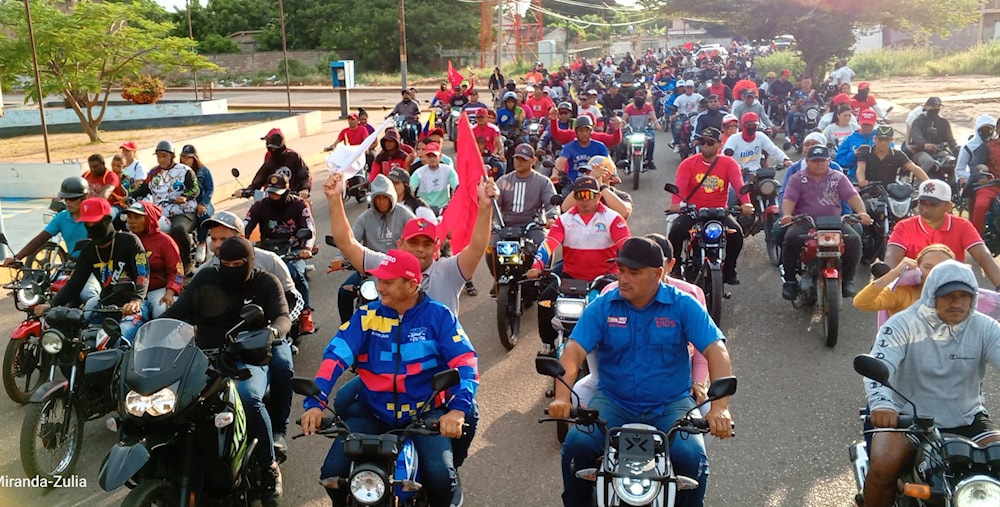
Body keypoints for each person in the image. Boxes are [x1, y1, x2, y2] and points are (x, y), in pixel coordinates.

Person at [551, 236, 735, 507]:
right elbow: (573, 351)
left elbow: (716, 351)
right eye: (621, 270)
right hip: (613, 402)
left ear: (658, 274)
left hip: (672, 406)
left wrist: (720, 408)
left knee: (692, 457)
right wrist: (562, 398)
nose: (623, 279)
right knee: (576, 445)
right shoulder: (603, 306)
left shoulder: (683, 305)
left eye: (633, 273)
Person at [301, 249, 478, 507]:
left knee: (441, 478)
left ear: (412, 284)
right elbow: (334, 358)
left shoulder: (439, 316)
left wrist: (458, 411)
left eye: (387, 281)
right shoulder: (366, 316)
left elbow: (465, 362)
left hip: (424, 413)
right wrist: (314, 405)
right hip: (372, 411)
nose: (379, 287)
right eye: (378, 280)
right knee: (332, 474)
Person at [862, 260, 1000, 507]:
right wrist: (883, 405)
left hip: (968, 417)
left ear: (973, 298)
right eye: (948, 296)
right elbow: (878, 366)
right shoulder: (902, 324)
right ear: (931, 295)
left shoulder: (986, 328)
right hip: (908, 419)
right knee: (883, 467)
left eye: (964, 296)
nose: (957, 303)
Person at [162, 236, 289, 504]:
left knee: (247, 398)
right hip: (204, 356)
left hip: (249, 355)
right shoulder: (206, 278)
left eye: (238, 263)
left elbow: (282, 315)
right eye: (226, 262)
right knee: (175, 403)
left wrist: (272, 331)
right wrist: (146, 336)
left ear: (250, 261)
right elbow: (176, 313)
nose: (231, 267)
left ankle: (269, 467)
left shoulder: (265, 281)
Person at [199, 212, 300, 462]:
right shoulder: (206, 271)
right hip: (224, 342)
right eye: (214, 239)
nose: (219, 245)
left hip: (267, 337)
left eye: (225, 238)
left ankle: (277, 430)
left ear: (242, 239)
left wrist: (276, 331)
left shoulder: (270, 262)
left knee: (281, 366)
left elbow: (293, 301)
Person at [324, 171, 497, 315]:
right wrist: (334, 199)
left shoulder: (448, 272)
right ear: (400, 244)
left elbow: (476, 248)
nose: (420, 249)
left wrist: (486, 208)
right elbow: (347, 242)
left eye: (427, 244)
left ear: (435, 247)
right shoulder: (384, 265)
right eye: (413, 243)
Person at [527, 176, 631, 356]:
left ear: (598, 196)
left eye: (588, 195)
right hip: (571, 276)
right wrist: (537, 265)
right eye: (579, 195)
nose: (584, 200)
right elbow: (549, 243)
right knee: (544, 301)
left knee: (622, 307)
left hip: (605, 278)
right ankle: (548, 344)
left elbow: (627, 247)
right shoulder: (564, 220)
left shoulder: (613, 218)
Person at [33, 198, 149, 342]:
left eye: (94, 222)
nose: (91, 226)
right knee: (81, 340)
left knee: (117, 339)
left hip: (133, 307)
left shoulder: (130, 241)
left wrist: (136, 299)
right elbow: (74, 284)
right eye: (87, 222)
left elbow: (142, 273)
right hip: (104, 306)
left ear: (107, 220)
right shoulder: (88, 249)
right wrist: (50, 304)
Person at [779, 145, 872, 300]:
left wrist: (862, 212)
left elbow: (852, 196)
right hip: (806, 222)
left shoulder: (838, 177)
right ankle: (789, 282)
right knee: (790, 239)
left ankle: (848, 280)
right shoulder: (797, 178)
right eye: (815, 161)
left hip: (834, 222)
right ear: (807, 161)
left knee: (854, 239)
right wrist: (787, 215)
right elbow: (789, 199)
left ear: (829, 161)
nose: (819, 163)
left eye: (822, 160)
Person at [883, 179, 1000, 289]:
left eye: (933, 205)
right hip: (913, 290)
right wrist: (887, 282)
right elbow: (891, 257)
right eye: (922, 203)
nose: (925, 209)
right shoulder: (904, 226)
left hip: (950, 290)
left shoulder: (962, 226)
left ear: (948, 206)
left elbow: (983, 255)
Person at [670, 127, 751, 285]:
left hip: (720, 212)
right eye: (702, 142)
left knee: (737, 235)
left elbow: (739, 185)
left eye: (710, 142)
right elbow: (679, 186)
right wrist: (675, 203)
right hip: (693, 211)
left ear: (719, 145)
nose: (705, 145)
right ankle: (676, 266)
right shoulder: (688, 164)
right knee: (676, 231)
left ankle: (729, 269)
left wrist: (746, 203)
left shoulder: (729, 164)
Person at [2, 177, 101, 300]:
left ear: (85, 198)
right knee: (44, 294)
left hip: (95, 266)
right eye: (65, 199)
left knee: (88, 295)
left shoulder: (95, 217)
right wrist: (17, 257)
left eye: (73, 199)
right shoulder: (61, 217)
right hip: (71, 266)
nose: (68, 202)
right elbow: (40, 239)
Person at [334, 174, 414, 324]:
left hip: (398, 268)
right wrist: (339, 257)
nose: (382, 202)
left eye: (385, 198)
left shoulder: (405, 214)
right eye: (378, 198)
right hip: (370, 268)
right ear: (373, 199)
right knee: (344, 292)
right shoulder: (364, 218)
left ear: (392, 197)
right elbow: (351, 240)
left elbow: (416, 236)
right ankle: (346, 328)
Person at [244, 174, 317, 335]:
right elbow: (245, 227)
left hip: (294, 249)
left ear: (287, 190)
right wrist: (240, 243)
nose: (274, 196)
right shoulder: (260, 206)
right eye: (271, 192)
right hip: (268, 249)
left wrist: (307, 248)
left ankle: (305, 313)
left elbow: (310, 229)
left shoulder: (299, 205)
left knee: (296, 273)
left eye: (278, 192)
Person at [129, 140, 200, 274]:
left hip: (183, 212)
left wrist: (185, 196)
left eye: (164, 156)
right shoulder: (153, 173)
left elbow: (195, 189)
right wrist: (129, 197)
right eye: (158, 156)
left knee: (178, 229)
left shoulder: (185, 171)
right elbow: (142, 190)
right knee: (139, 227)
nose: (161, 159)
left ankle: (187, 259)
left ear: (172, 156)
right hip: (160, 213)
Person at [854, 243, 955, 317]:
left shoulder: (958, 296)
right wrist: (895, 272)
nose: (933, 272)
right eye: (928, 267)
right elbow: (862, 302)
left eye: (941, 267)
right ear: (917, 268)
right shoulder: (902, 292)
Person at [121, 201, 183, 319]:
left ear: (149, 218)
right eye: (129, 216)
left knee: (164, 310)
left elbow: (178, 272)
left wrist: (170, 293)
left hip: (159, 290)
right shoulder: (125, 240)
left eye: (137, 217)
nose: (131, 221)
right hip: (133, 292)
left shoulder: (165, 241)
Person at [244, 128, 313, 199]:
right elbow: (259, 180)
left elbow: (305, 175)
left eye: (276, 149)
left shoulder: (293, 157)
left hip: (295, 199)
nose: (273, 151)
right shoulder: (269, 162)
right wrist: (246, 191)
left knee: (304, 208)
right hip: (274, 200)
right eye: (270, 149)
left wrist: (305, 189)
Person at [558, 155, 633, 219]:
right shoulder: (580, 192)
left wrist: (601, 187)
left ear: (607, 174)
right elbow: (565, 208)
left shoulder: (621, 196)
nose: (589, 175)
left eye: (594, 171)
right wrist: (587, 183)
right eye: (587, 172)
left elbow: (624, 212)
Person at [856, 126, 929, 188]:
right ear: (874, 139)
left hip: (891, 191)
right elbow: (860, 169)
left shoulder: (898, 154)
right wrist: (861, 181)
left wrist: (929, 183)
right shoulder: (865, 153)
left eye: (886, 140)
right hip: (869, 190)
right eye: (880, 139)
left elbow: (914, 168)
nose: (883, 143)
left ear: (891, 140)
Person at [722, 112, 789, 175]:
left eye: (754, 125)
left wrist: (785, 159)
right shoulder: (734, 138)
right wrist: (734, 168)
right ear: (743, 125)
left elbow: (773, 149)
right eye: (749, 125)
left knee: (774, 185)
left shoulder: (760, 136)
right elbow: (724, 157)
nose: (752, 127)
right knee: (734, 187)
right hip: (738, 173)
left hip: (756, 173)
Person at [179, 144, 214, 264]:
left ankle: (202, 243)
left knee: (203, 217)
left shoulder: (204, 171)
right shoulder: (178, 171)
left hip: (201, 203)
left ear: (195, 158)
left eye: (189, 157)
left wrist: (203, 204)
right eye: (183, 157)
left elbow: (210, 189)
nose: (186, 160)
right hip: (184, 204)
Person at [553, 116, 609, 189]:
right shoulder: (569, 147)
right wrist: (555, 173)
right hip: (573, 184)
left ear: (591, 131)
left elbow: (606, 163)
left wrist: (613, 175)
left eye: (587, 130)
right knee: (563, 198)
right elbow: (562, 160)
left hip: (595, 184)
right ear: (576, 132)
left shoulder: (600, 146)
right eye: (581, 131)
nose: (584, 133)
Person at [906, 97, 957, 174]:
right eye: (933, 106)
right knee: (928, 162)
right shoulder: (918, 121)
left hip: (939, 151)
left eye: (938, 106)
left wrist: (956, 148)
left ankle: (952, 185)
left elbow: (950, 139)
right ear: (926, 106)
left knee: (951, 162)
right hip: (920, 151)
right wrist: (924, 144)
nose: (935, 108)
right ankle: (919, 184)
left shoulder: (943, 122)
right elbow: (916, 136)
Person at [409, 142, 459, 214]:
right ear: (426, 157)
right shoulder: (418, 173)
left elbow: (457, 188)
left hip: (443, 209)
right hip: (424, 209)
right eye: (429, 156)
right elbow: (410, 190)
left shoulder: (448, 171)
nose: (432, 159)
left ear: (440, 156)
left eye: (434, 156)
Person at [835, 110, 881, 181]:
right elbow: (839, 161)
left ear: (875, 123)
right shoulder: (850, 139)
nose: (866, 127)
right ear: (859, 122)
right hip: (854, 177)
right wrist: (854, 154)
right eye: (864, 124)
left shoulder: (882, 138)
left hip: (878, 176)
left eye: (869, 125)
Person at [622, 90, 659, 170]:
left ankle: (649, 160)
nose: (639, 100)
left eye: (640, 98)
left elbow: (654, 118)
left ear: (644, 99)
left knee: (651, 141)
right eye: (637, 98)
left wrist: (657, 124)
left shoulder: (648, 107)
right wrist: (621, 125)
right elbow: (624, 119)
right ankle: (623, 159)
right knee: (624, 141)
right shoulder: (629, 108)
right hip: (632, 130)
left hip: (644, 130)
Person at [956, 114, 996, 182]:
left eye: (990, 129)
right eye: (984, 129)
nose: (987, 132)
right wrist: (974, 177)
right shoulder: (968, 147)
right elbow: (959, 170)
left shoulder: (997, 145)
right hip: (977, 182)